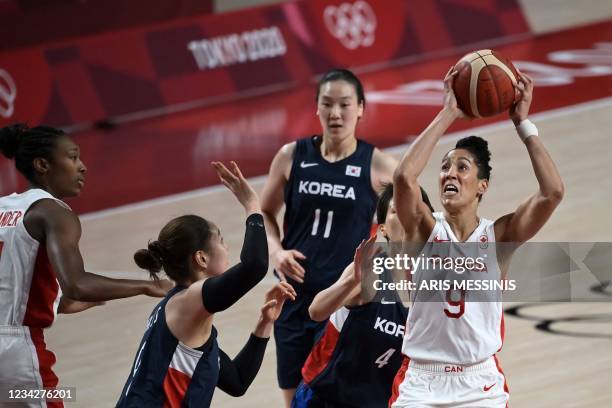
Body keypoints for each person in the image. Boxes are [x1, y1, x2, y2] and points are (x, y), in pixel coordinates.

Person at [389, 69, 564, 407]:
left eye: (462, 167)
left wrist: (523, 125)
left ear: (482, 186)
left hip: (479, 382)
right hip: (422, 381)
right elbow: (404, 177)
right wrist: (449, 113)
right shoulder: (423, 229)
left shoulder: (499, 237)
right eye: (444, 167)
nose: (449, 173)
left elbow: (553, 192)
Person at [0, 124, 171, 408]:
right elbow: (77, 285)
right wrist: (146, 285)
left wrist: (60, 303)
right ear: (43, 164)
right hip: (17, 354)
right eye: (73, 157)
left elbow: (17, 286)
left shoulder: (5, 207)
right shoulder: (53, 213)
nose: (83, 167)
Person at [260, 68, 398, 406]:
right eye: (327, 104)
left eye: (345, 104)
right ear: (316, 108)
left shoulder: (379, 166)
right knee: (295, 398)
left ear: (361, 108)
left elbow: (414, 218)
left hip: (344, 303)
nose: (336, 113)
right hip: (293, 298)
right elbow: (263, 214)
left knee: (335, 392)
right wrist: (276, 252)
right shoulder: (291, 156)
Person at [116, 161, 296, 407]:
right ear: (201, 258)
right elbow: (254, 266)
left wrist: (265, 323)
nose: (227, 248)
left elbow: (237, 382)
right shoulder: (187, 302)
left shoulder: (191, 318)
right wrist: (252, 206)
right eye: (221, 242)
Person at [293, 184, 434, 408]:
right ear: (384, 229)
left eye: (414, 207)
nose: (407, 213)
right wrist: (350, 282)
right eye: (397, 211)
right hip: (326, 398)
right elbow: (316, 311)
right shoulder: (373, 271)